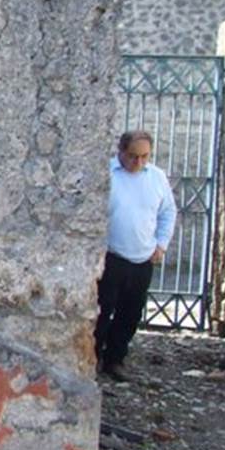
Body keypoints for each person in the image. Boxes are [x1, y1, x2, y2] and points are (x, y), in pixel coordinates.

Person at [94, 129, 177, 382]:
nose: (138, 162)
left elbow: (168, 212)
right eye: (133, 156)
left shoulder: (157, 178)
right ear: (121, 151)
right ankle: (93, 357)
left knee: (131, 312)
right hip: (112, 256)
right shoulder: (106, 174)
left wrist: (161, 244)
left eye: (144, 157)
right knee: (102, 309)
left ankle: (116, 359)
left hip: (143, 258)